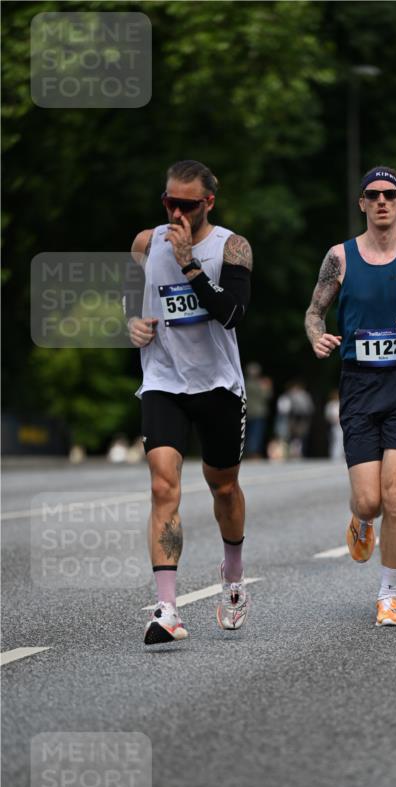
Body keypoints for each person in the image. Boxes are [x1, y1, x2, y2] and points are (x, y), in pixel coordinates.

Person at [304, 165, 396, 626]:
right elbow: (314, 312)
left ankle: (388, 596)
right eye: (372, 194)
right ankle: (360, 521)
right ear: (362, 203)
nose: (382, 201)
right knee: (368, 502)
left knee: (395, 496)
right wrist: (317, 336)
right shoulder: (339, 258)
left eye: (390, 194)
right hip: (360, 386)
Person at [125, 159, 253, 643]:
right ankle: (167, 610)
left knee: (223, 488)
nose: (176, 212)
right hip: (163, 380)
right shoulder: (145, 243)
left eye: (186, 204)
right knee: (163, 487)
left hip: (218, 384)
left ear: (208, 203)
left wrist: (190, 265)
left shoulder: (232, 247)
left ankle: (234, 575)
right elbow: (129, 294)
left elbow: (233, 313)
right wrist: (131, 325)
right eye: (168, 202)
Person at [244, 362, 273, 458]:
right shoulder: (260, 384)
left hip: (247, 412)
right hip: (258, 413)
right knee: (256, 434)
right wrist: (267, 387)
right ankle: (254, 454)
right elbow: (267, 396)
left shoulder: (244, 383)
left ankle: (250, 453)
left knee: (249, 434)